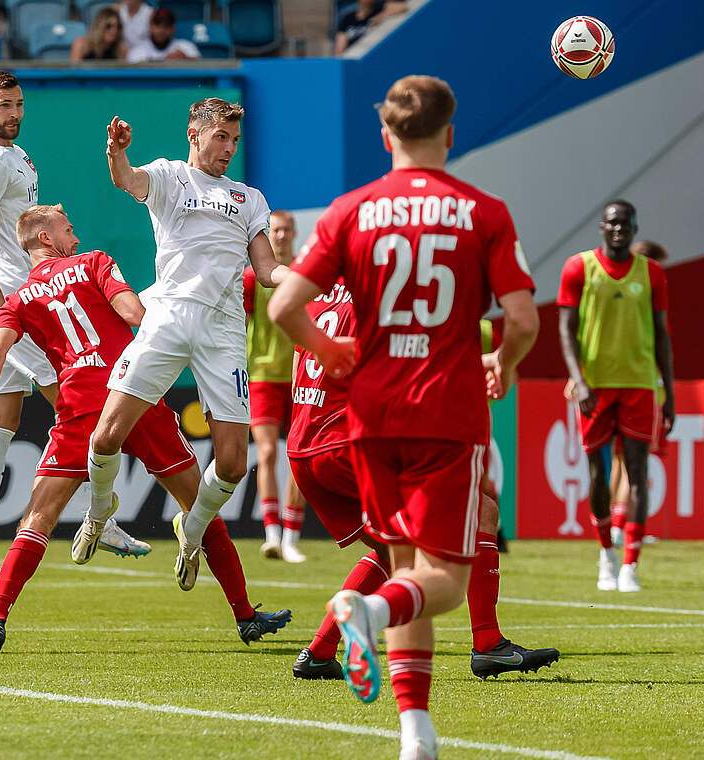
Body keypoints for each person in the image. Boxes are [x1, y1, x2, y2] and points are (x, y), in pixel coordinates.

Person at [268, 75, 539, 760]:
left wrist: (329, 351)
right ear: (450, 135)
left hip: (369, 416)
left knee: (397, 564)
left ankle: (415, 735)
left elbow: (282, 307)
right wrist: (503, 359)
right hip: (445, 413)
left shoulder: (350, 209)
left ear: (386, 136)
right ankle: (365, 611)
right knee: (440, 579)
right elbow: (524, 319)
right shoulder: (484, 212)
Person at [0, 205, 291, 652]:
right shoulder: (94, 263)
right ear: (46, 238)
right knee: (198, 505)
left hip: (79, 410)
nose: (76, 238)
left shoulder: (18, 300)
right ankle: (244, 615)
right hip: (132, 395)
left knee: (38, 517)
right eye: (68, 230)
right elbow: (135, 314)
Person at [285, 280, 558, 683]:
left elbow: (300, 365)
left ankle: (320, 652)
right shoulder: (382, 292)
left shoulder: (321, 293)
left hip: (303, 445)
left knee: (389, 547)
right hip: (346, 444)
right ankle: (484, 645)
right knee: (477, 516)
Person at [0, 70, 150, 587]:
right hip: (23, 308)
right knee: (83, 405)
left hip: (13, 304)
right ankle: (101, 516)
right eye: (2, 105)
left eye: (18, 103)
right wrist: (4, 304)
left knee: (3, 419)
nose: (14, 113)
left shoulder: (14, 155)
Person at [91, 98, 288, 593]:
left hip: (223, 330)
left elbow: (266, 272)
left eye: (235, 141)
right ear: (194, 134)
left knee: (233, 463)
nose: (229, 148)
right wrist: (116, 152)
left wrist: (305, 276)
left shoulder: (249, 199)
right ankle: (99, 513)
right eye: (221, 137)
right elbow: (126, 179)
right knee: (106, 436)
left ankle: (191, 527)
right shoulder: (170, 176)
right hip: (170, 315)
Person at [556, 202, 676, 593]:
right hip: (596, 386)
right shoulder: (578, 268)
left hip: (640, 384)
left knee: (639, 473)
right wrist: (579, 380)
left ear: (635, 226)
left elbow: (662, 335)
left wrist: (668, 393)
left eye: (625, 223)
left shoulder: (652, 273)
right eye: (612, 223)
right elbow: (565, 330)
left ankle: (630, 566)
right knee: (597, 472)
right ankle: (605, 555)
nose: (619, 229)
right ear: (601, 228)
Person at [243, 209, 307, 563]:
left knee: (298, 457)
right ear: (270, 233)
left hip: (300, 376)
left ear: (294, 233)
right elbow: (240, 322)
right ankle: (271, 533)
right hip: (263, 376)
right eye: (276, 231)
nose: (281, 236)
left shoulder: (305, 276)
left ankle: (291, 538)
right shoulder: (252, 278)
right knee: (267, 453)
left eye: (286, 231)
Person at [604, 239, 669, 546]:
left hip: (616, 385)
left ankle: (618, 525)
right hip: (641, 387)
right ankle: (620, 526)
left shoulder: (618, 295)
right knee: (634, 463)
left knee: (619, 462)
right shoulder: (643, 299)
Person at [124, 7, 197, 63]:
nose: (161, 30)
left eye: (166, 26)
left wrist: (186, 60)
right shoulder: (138, 50)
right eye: (157, 25)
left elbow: (200, 66)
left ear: (173, 28)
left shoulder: (186, 47)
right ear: (151, 27)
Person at [333, 0, 407, 55]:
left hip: (373, 54)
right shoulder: (348, 18)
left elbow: (402, 6)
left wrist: (382, 16)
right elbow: (340, 48)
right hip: (354, 56)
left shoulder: (379, 9)